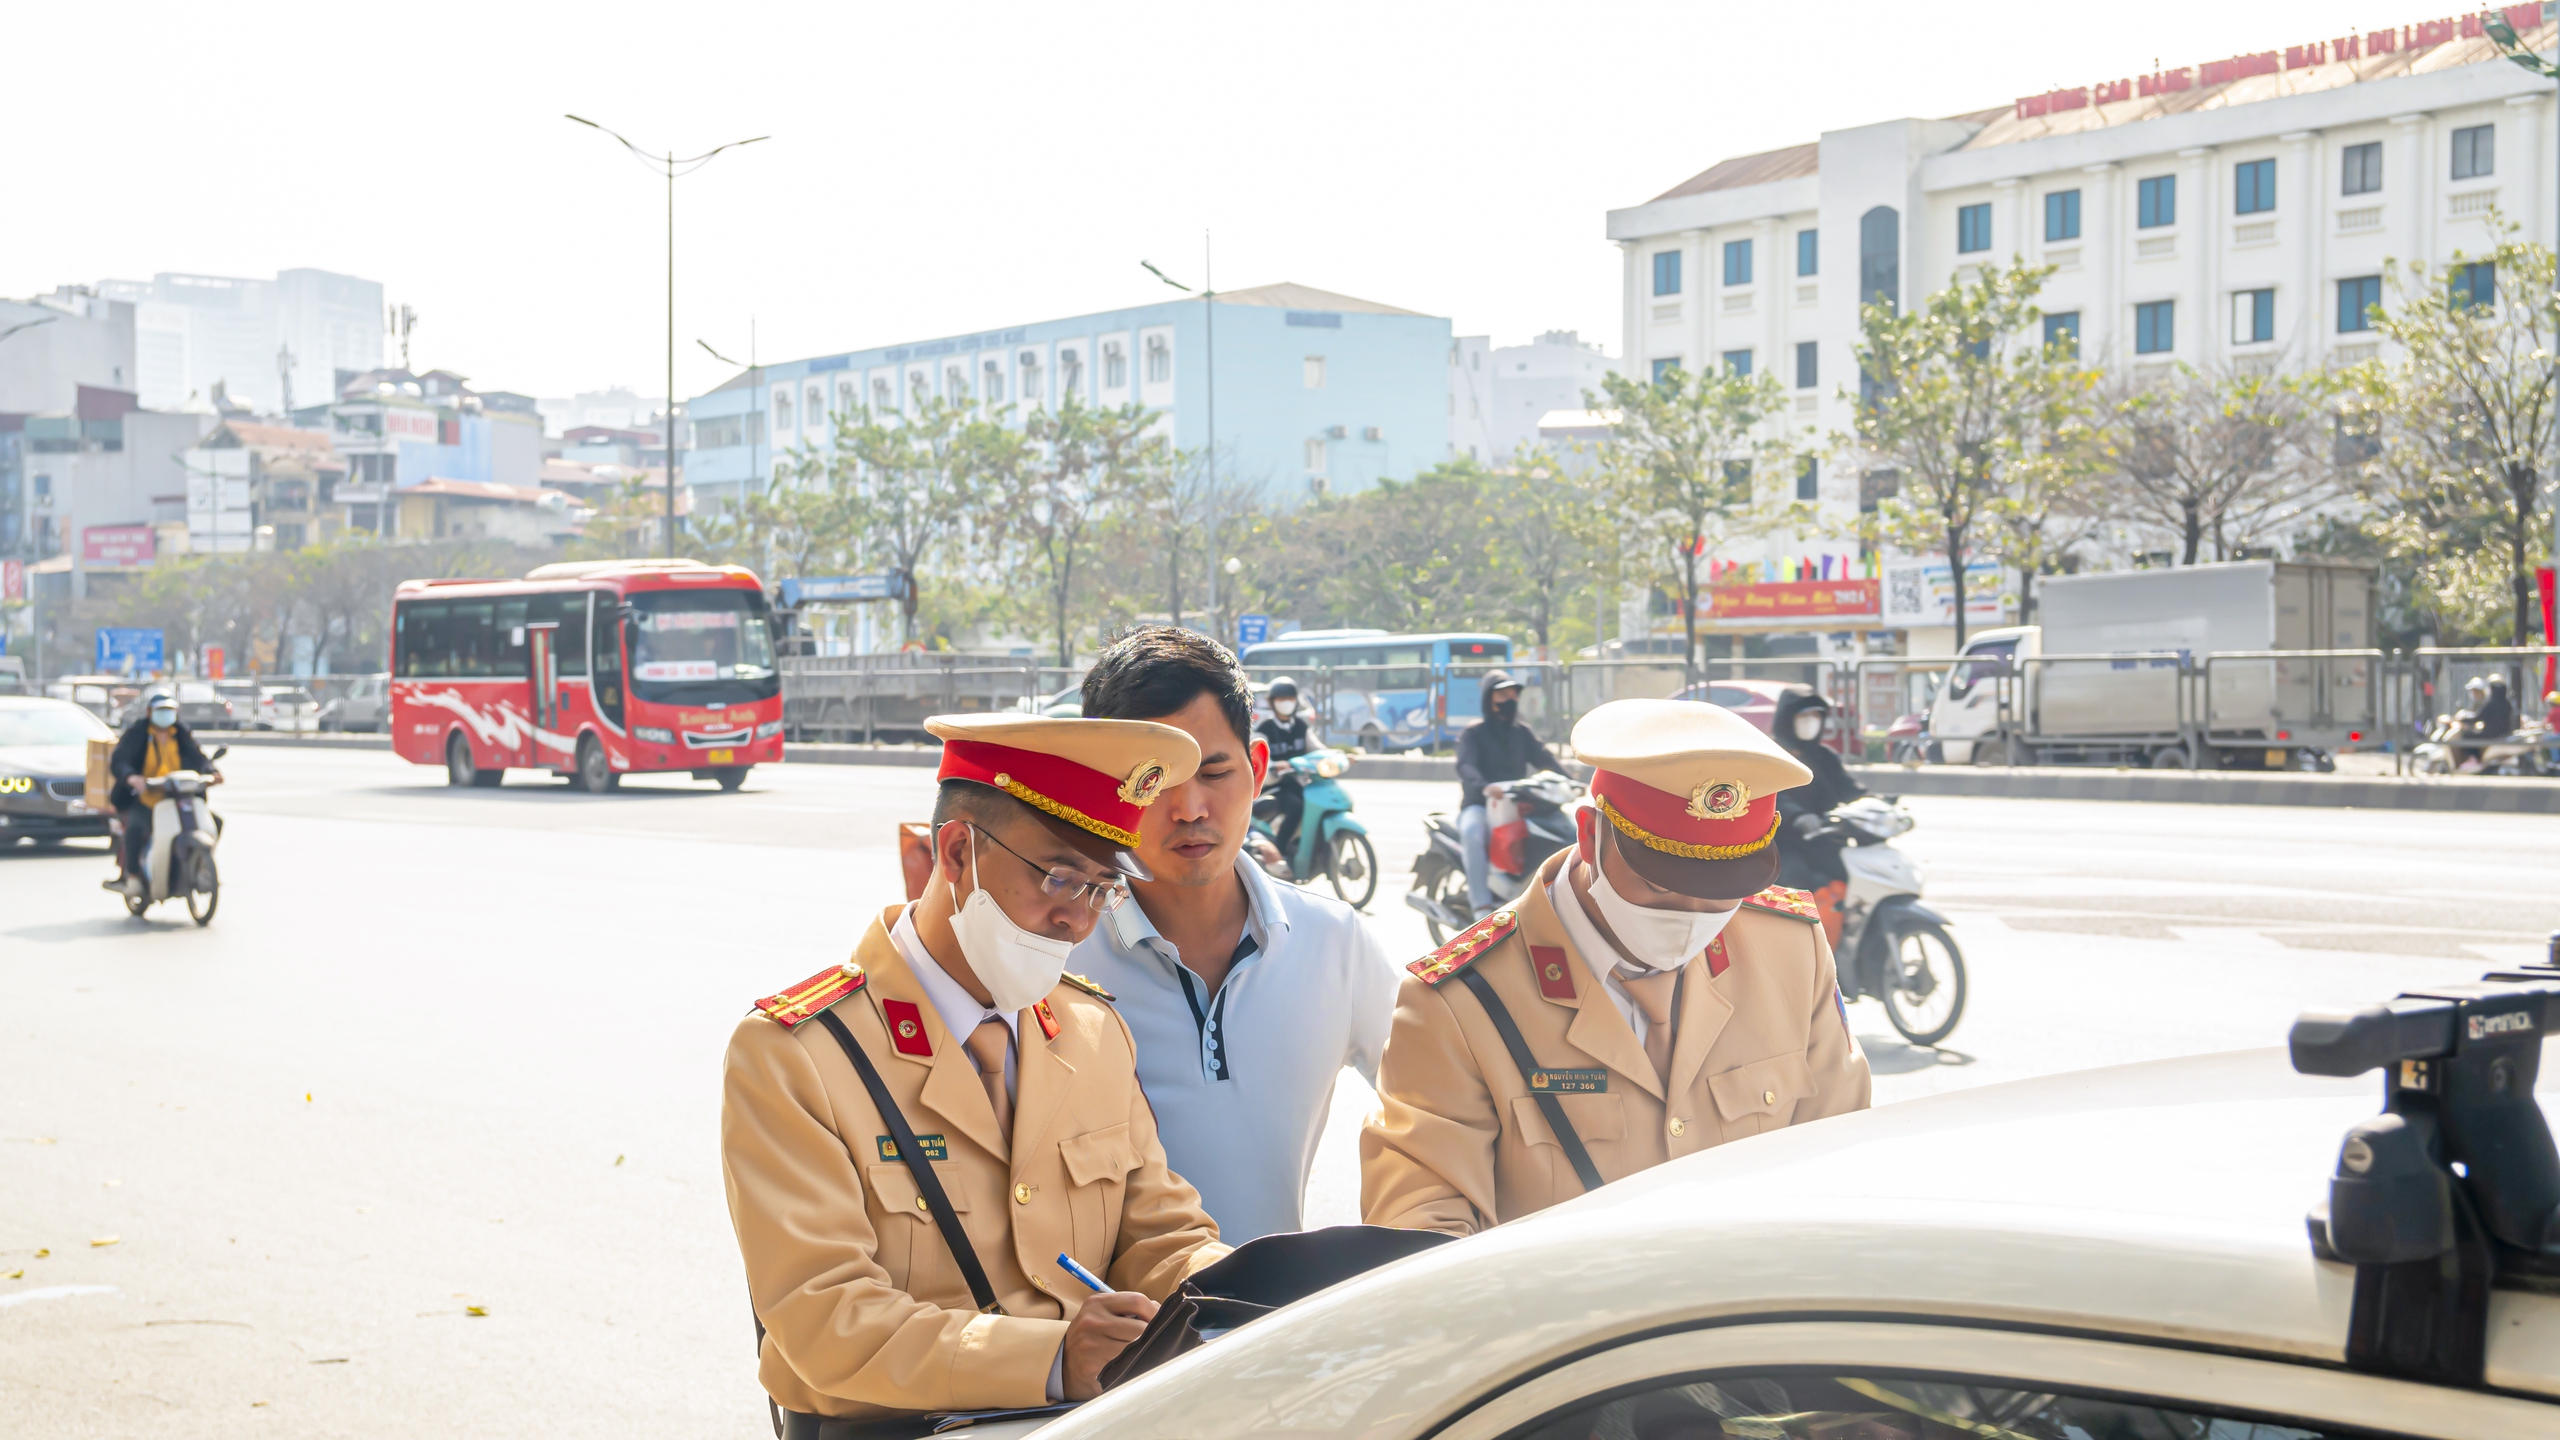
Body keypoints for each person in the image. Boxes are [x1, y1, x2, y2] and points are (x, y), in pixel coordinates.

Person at [722, 713, 1229, 1432]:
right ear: (957, 851)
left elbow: (1158, 1232)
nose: (1077, 922)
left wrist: (1245, 1287)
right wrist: (1054, 1357)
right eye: (1058, 876)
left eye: (1102, 888)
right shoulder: (800, 1053)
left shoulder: (1091, 1031)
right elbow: (822, 1315)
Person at [1362, 697, 1872, 1236]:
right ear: (1590, 835)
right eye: (1658, 885)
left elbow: (1840, 1159)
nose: (1690, 916)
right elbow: (1421, 1227)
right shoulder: (1460, 1003)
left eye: (1722, 892)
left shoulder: (1791, 949)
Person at [1073, 628, 1401, 1243]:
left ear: (1256, 769)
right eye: (1153, 780)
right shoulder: (1056, 960)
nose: (1190, 808)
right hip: (1116, 1336)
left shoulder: (1336, 943)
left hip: (1277, 1330)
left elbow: (1442, 1117)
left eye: (1215, 772)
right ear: (1101, 783)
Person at [1453, 669, 1562, 920]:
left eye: (1513, 694)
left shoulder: (1521, 732)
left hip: (1517, 806)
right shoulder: (1474, 733)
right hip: (1480, 805)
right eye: (1502, 694)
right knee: (1473, 833)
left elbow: (1544, 758)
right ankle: (1480, 904)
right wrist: (1483, 786)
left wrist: (1570, 780)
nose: (1509, 699)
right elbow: (1465, 765)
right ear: (1489, 699)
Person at [107, 686, 220, 898]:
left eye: (170, 710)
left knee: (215, 822)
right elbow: (119, 761)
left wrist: (211, 772)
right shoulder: (137, 733)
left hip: (179, 797)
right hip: (148, 798)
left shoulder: (180, 732)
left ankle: (201, 867)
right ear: (149, 712)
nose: (166, 715)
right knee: (135, 828)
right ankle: (132, 877)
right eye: (161, 710)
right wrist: (132, 777)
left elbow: (197, 757)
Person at [1770, 687, 1865, 896]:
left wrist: (1874, 802)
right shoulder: (1774, 755)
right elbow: (1774, 795)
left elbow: (1846, 787)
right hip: (1783, 842)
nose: (1810, 721)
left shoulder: (1824, 755)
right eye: (1804, 715)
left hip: (1824, 836)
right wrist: (1799, 817)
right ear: (1788, 719)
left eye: (1816, 715)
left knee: (1853, 872)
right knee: (1798, 878)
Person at [1255, 677, 1314, 853]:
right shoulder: (1264, 728)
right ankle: (1279, 850)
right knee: (1296, 806)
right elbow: (1257, 754)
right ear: (1272, 702)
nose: (1286, 703)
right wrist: (1274, 764)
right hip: (1275, 785)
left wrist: (1339, 755)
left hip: (1297, 782)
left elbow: (1316, 747)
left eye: (1290, 699)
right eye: (1281, 699)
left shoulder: (1301, 727)